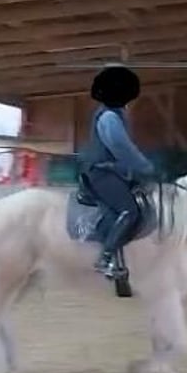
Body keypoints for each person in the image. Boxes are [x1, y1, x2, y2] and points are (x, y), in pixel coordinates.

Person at [81, 65, 157, 278]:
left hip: (111, 170)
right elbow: (121, 147)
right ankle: (104, 257)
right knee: (129, 211)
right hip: (101, 172)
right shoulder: (109, 118)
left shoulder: (114, 113)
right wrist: (145, 166)